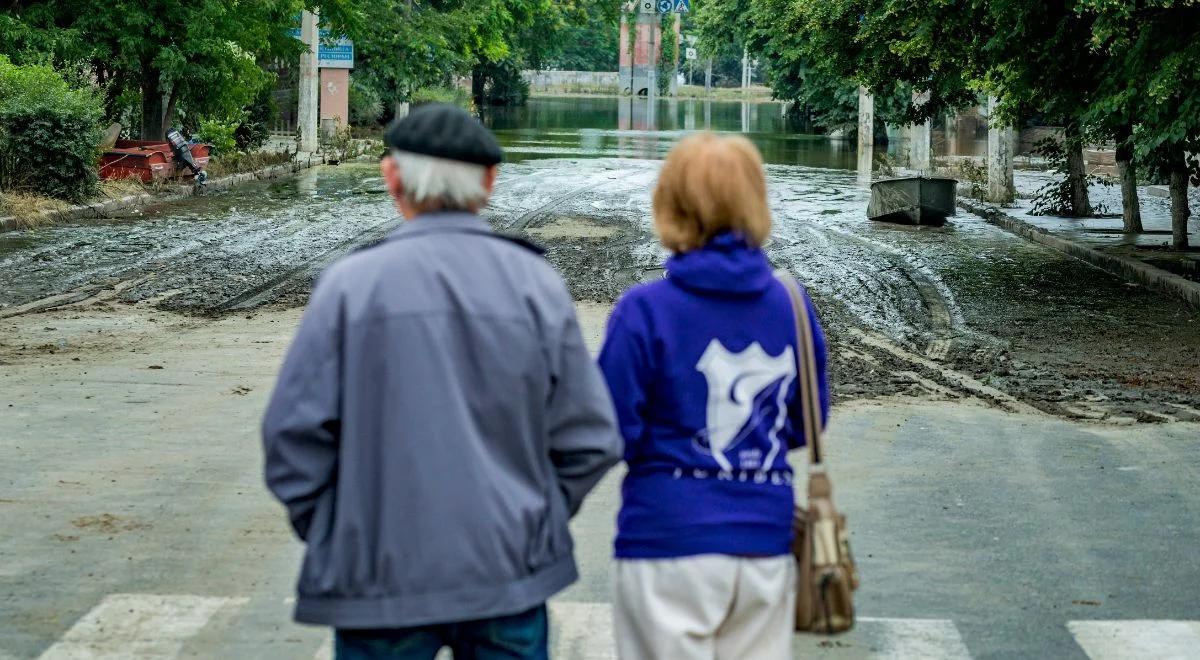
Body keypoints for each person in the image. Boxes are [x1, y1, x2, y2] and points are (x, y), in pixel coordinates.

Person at [262, 103, 623, 660]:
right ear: (489, 181)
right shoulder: (536, 285)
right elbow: (591, 437)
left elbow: (293, 435)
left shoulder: (350, 286)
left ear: (392, 178)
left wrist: (342, 530)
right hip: (507, 573)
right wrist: (534, 519)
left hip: (378, 576)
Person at [598, 132, 831, 660]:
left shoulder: (644, 310)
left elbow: (609, 429)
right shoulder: (793, 305)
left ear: (669, 204)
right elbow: (804, 423)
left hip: (665, 542)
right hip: (765, 545)